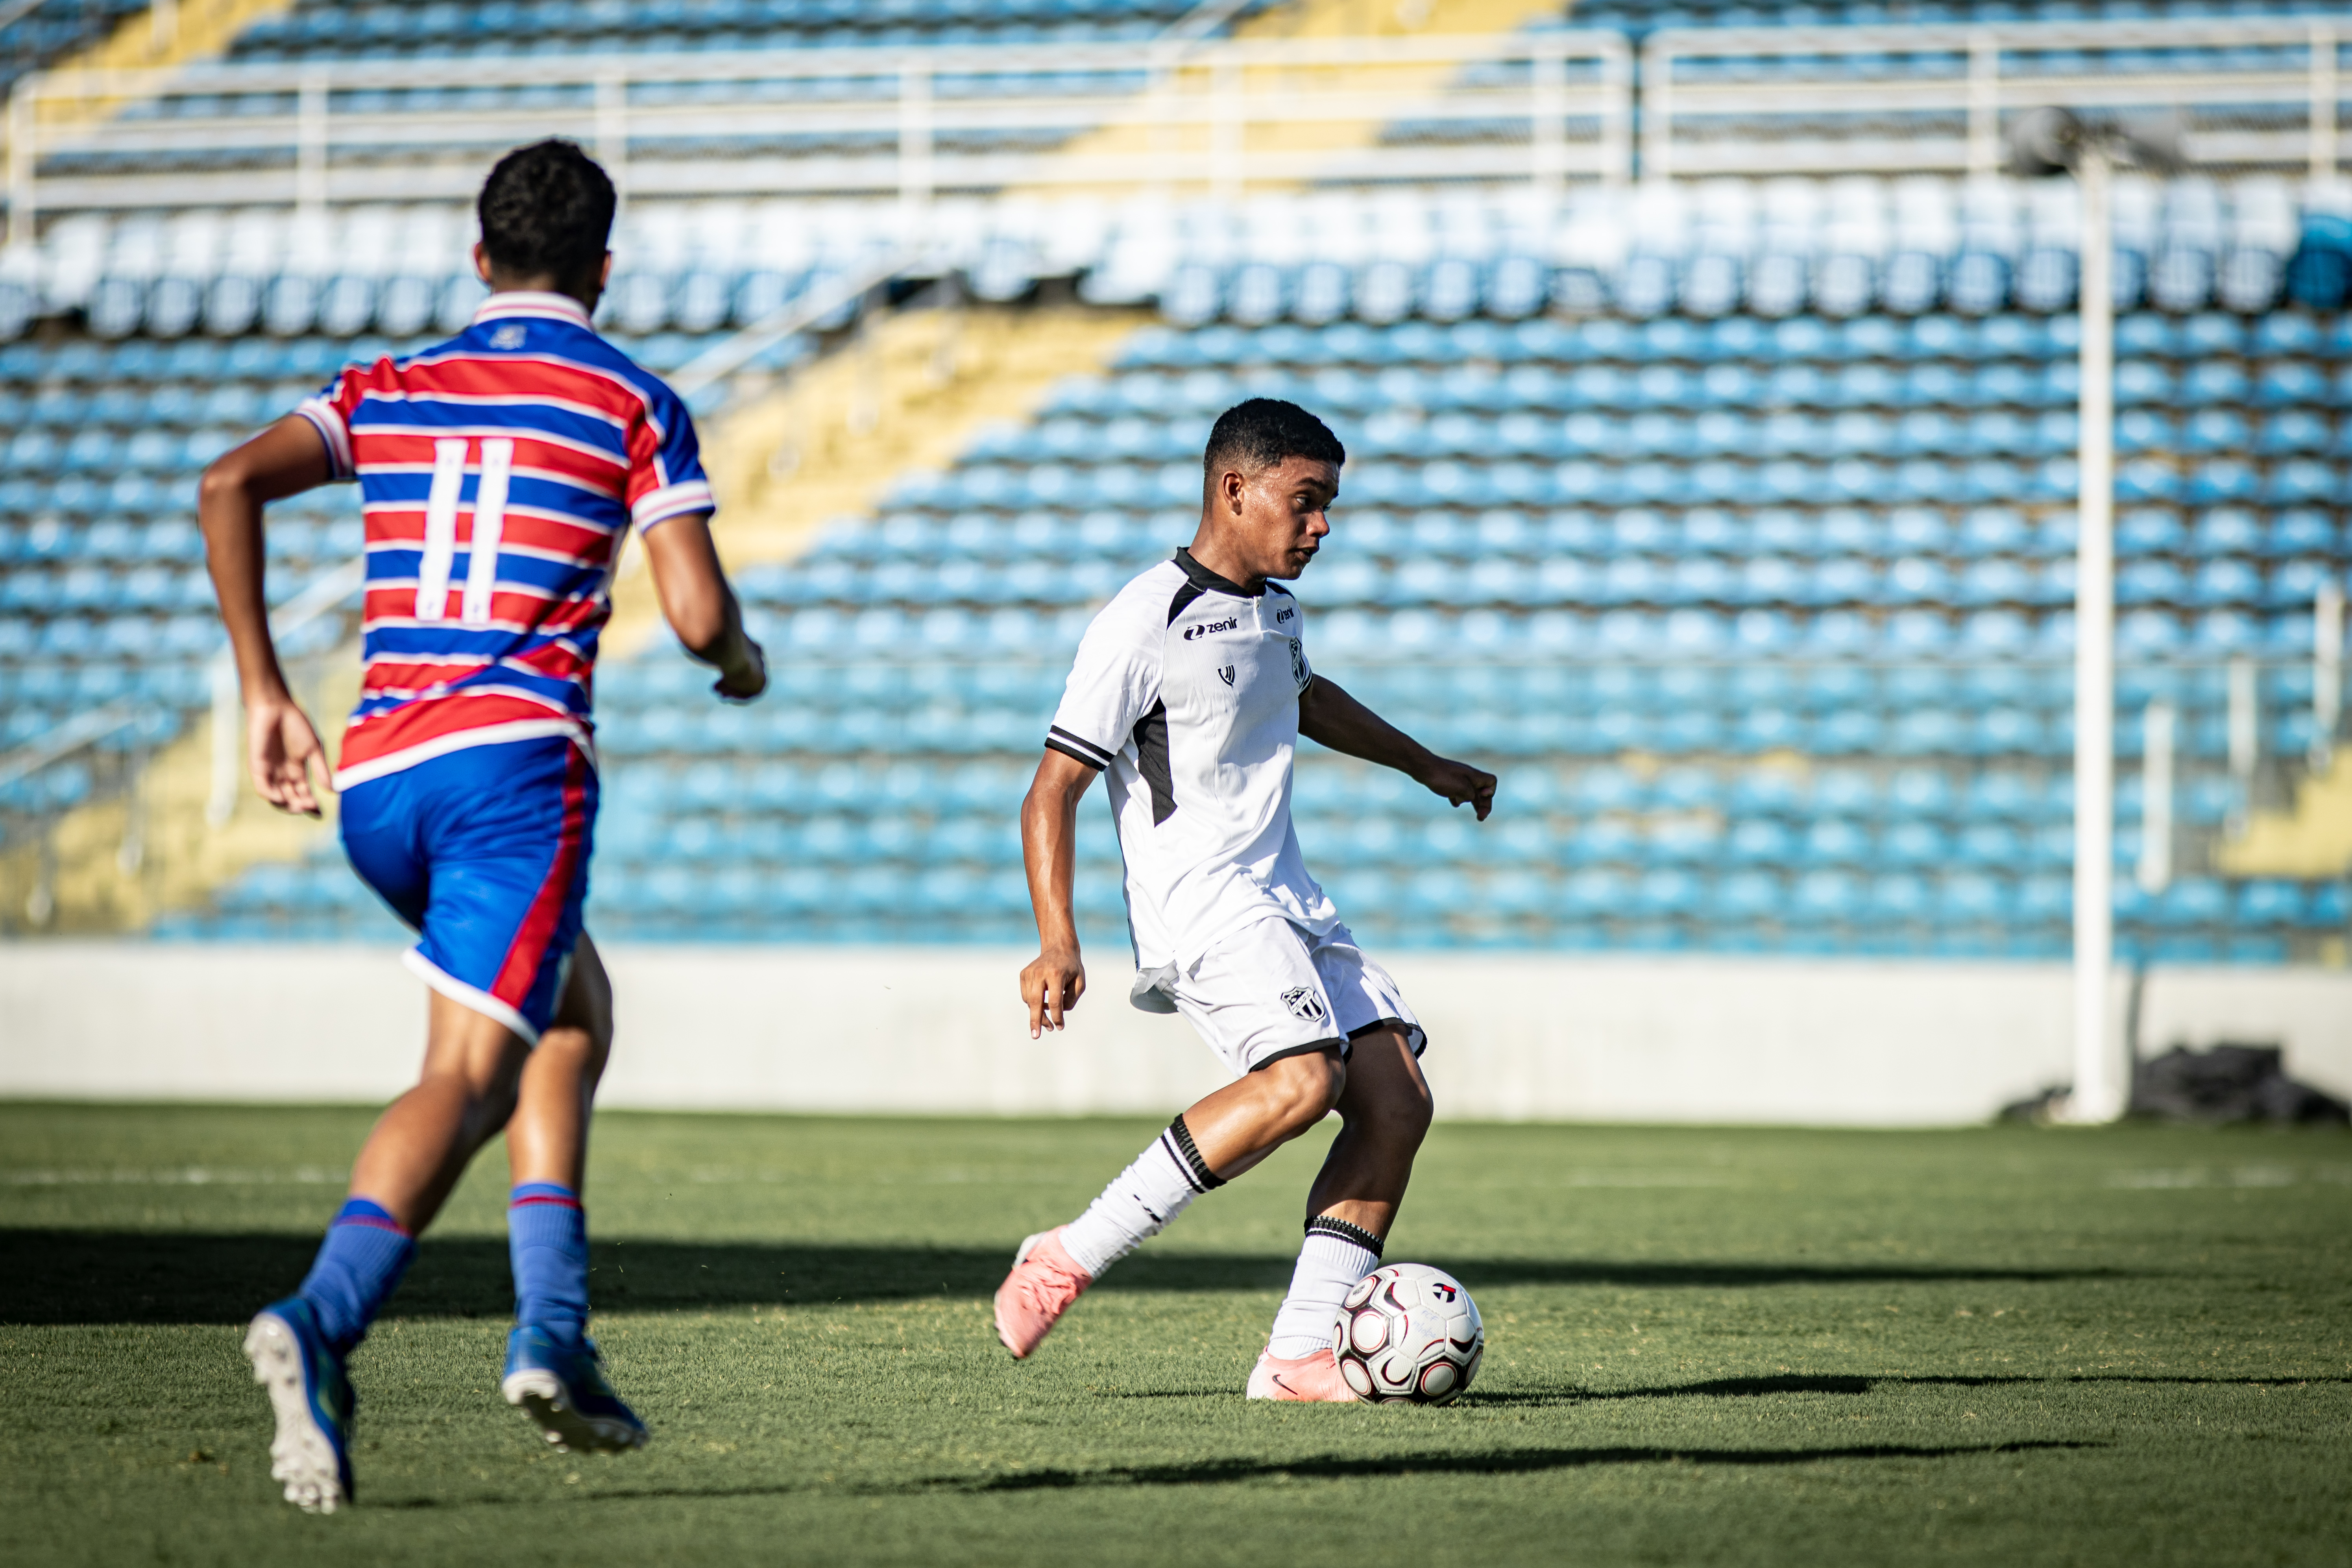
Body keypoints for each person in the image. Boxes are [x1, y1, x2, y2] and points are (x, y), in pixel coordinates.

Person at [199, 139, 767, 1511]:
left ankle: (554, 1336)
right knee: (464, 1070)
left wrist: (269, 694)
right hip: (511, 773)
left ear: (478, 260)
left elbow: (228, 483)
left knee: (571, 1014)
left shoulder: (389, 387)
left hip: (380, 778)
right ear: (605, 268)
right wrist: (736, 655)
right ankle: (323, 1319)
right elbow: (694, 612)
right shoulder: (631, 397)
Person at [993, 397, 1496, 1400]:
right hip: (1205, 902)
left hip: (1287, 894)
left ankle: (1299, 1354)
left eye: (1329, 507)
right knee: (1305, 1079)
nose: (1321, 527)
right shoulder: (1142, 622)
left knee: (1396, 1103)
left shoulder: (1274, 605)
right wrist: (1058, 940)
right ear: (1235, 488)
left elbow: (1304, 696)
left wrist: (1423, 764)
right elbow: (1052, 788)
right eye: (1306, 502)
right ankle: (1067, 1252)